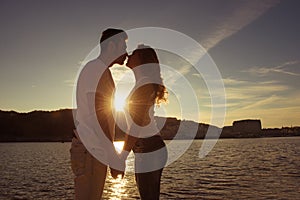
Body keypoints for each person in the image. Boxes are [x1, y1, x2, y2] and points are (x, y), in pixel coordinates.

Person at [70, 28, 128, 200]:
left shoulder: (100, 70)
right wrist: (113, 157)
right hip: (90, 151)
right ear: (111, 46)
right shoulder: (95, 69)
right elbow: (97, 116)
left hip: (95, 150)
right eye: (123, 46)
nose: (126, 52)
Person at [119, 44, 168, 200]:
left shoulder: (145, 84)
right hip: (145, 149)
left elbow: (137, 124)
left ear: (141, 60)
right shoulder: (142, 83)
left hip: (150, 149)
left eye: (133, 53)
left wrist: (121, 158)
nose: (129, 55)